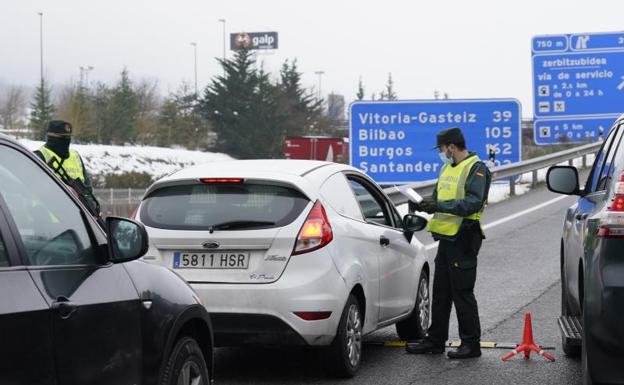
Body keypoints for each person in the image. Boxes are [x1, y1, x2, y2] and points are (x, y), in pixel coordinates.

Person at [406, 127, 491, 359]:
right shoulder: (446, 168)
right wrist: (424, 203)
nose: (441, 153)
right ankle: (435, 342)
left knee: (462, 293)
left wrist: (439, 206)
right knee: (441, 293)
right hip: (446, 238)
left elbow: (472, 203)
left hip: (464, 237)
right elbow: (440, 198)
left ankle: (471, 344)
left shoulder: (477, 169)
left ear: (451, 147)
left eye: (442, 148)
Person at [34, 120, 101, 219]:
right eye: (62, 139)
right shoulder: (39, 157)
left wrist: (92, 209)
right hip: (47, 223)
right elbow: (34, 191)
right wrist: (64, 190)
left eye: (68, 138)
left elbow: (87, 190)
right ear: (51, 138)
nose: (65, 142)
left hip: (78, 221)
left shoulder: (75, 156)